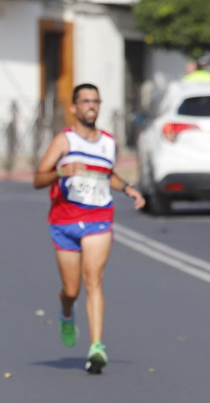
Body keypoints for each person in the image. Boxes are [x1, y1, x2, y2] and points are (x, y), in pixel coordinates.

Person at [31, 83, 145, 374]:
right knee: (72, 289)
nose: (91, 106)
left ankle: (96, 346)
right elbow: (38, 178)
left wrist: (128, 188)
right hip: (64, 220)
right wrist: (61, 171)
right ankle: (67, 311)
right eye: (85, 101)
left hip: (98, 218)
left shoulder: (108, 142)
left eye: (96, 100)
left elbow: (107, 175)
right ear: (74, 107)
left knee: (93, 278)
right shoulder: (64, 141)